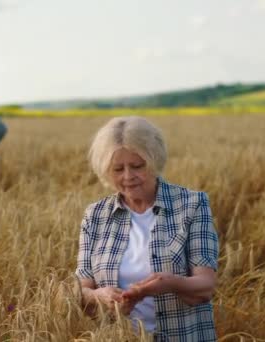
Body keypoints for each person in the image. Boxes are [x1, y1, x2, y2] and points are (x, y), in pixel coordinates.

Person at [75, 116, 219, 341]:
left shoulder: (191, 205)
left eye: (137, 166)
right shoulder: (95, 215)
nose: (128, 177)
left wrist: (168, 283)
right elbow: (81, 289)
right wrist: (98, 296)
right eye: (117, 169)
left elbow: (205, 286)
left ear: (154, 161)